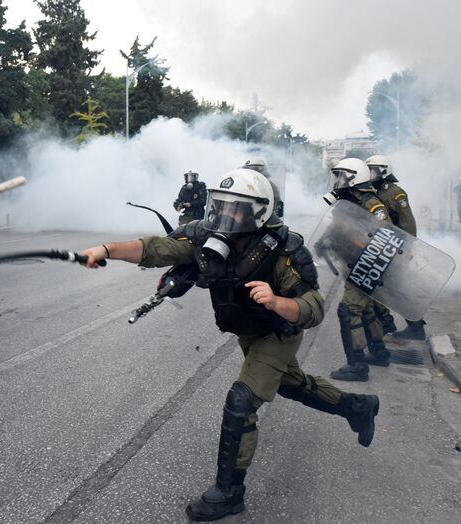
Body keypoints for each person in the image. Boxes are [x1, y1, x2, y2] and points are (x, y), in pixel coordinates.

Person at [81, 168, 379, 522]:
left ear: (260, 212)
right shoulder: (204, 236)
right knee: (290, 384)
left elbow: (313, 307)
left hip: (277, 331)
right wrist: (106, 249)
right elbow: (155, 248)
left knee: (242, 399)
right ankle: (357, 407)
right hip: (248, 330)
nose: (226, 215)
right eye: (221, 205)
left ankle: (229, 493)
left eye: (236, 208)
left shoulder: (285, 249)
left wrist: (278, 302)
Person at [323, 158, 392, 379]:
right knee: (367, 308)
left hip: (369, 264)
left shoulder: (371, 204)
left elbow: (386, 235)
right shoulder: (351, 201)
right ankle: (379, 352)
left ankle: (357, 365)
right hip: (360, 263)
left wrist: (360, 245)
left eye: (343, 176)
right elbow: (341, 227)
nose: (339, 181)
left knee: (349, 309)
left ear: (355, 178)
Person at [366, 155, 425, 341]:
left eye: (373, 170)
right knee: (378, 287)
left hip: (397, 248)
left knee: (397, 289)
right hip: (381, 247)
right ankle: (386, 323)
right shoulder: (372, 192)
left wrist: (406, 249)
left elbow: (408, 224)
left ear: (384, 171)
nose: (370, 174)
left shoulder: (396, 193)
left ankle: (416, 327)